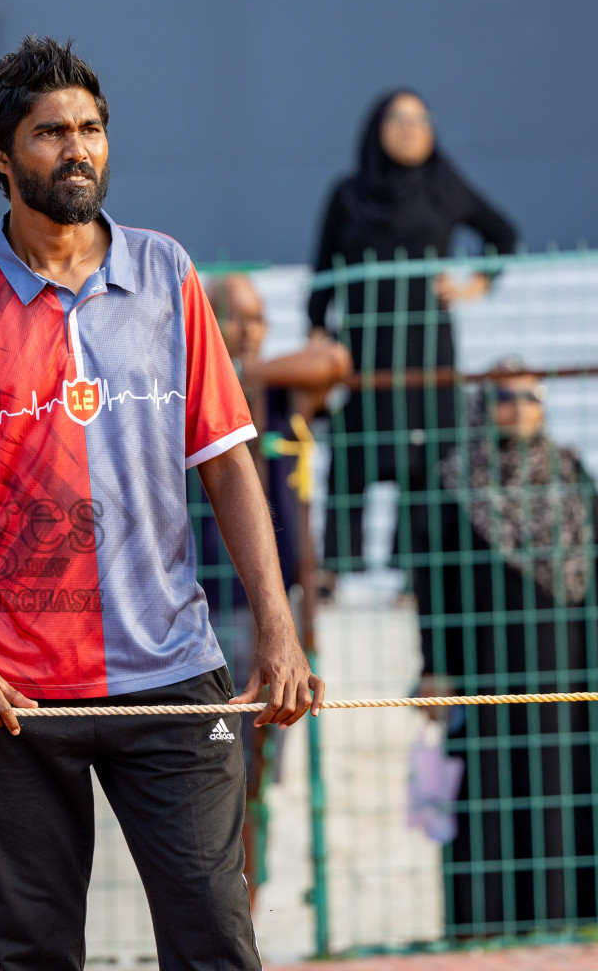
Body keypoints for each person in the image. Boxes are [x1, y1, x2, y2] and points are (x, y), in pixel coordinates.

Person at [0, 37, 322, 971]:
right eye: (50, 134)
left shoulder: (166, 274)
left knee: (216, 944)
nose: (78, 149)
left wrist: (276, 627)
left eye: (91, 129)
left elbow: (230, 464)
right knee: (36, 957)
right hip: (12, 700)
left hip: (173, 673)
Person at [411, 360, 598, 936]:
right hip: (487, 668)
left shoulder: (570, 471)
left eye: (531, 395)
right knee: (496, 786)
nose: (519, 406)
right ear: (482, 406)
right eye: (504, 396)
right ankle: (496, 926)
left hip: (572, 661)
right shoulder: (453, 483)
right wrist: (436, 667)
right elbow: (433, 584)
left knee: (579, 775)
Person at [307, 89, 517, 578]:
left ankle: (415, 575)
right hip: (360, 347)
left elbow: (503, 234)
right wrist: (317, 333)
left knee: (428, 458)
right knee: (354, 452)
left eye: (421, 118)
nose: (410, 127)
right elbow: (322, 268)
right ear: (376, 127)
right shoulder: (349, 193)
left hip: (426, 345)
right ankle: (339, 571)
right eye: (398, 118)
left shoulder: (442, 186)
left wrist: (474, 283)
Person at [201, 273, 349, 904]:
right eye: (238, 319)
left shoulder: (279, 390)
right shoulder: (198, 387)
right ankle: (227, 907)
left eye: (260, 319)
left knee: (257, 775)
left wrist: (253, 367)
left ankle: (247, 912)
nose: (252, 330)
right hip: (209, 607)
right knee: (217, 773)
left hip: (272, 609)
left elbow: (335, 360)